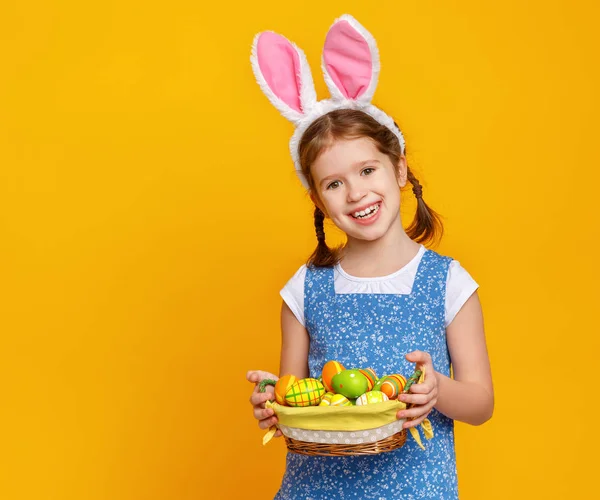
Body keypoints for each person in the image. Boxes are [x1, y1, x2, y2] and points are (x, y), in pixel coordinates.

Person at [246, 14, 493, 499]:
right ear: (319, 200)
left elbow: (481, 403)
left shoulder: (449, 283)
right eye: (334, 183)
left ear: (399, 168)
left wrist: (437, 391)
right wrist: (275, 401)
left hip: (418, 488)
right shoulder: (304, 289)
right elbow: (300, 396)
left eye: (367, 170)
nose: (356, 193)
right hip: (315, 489)